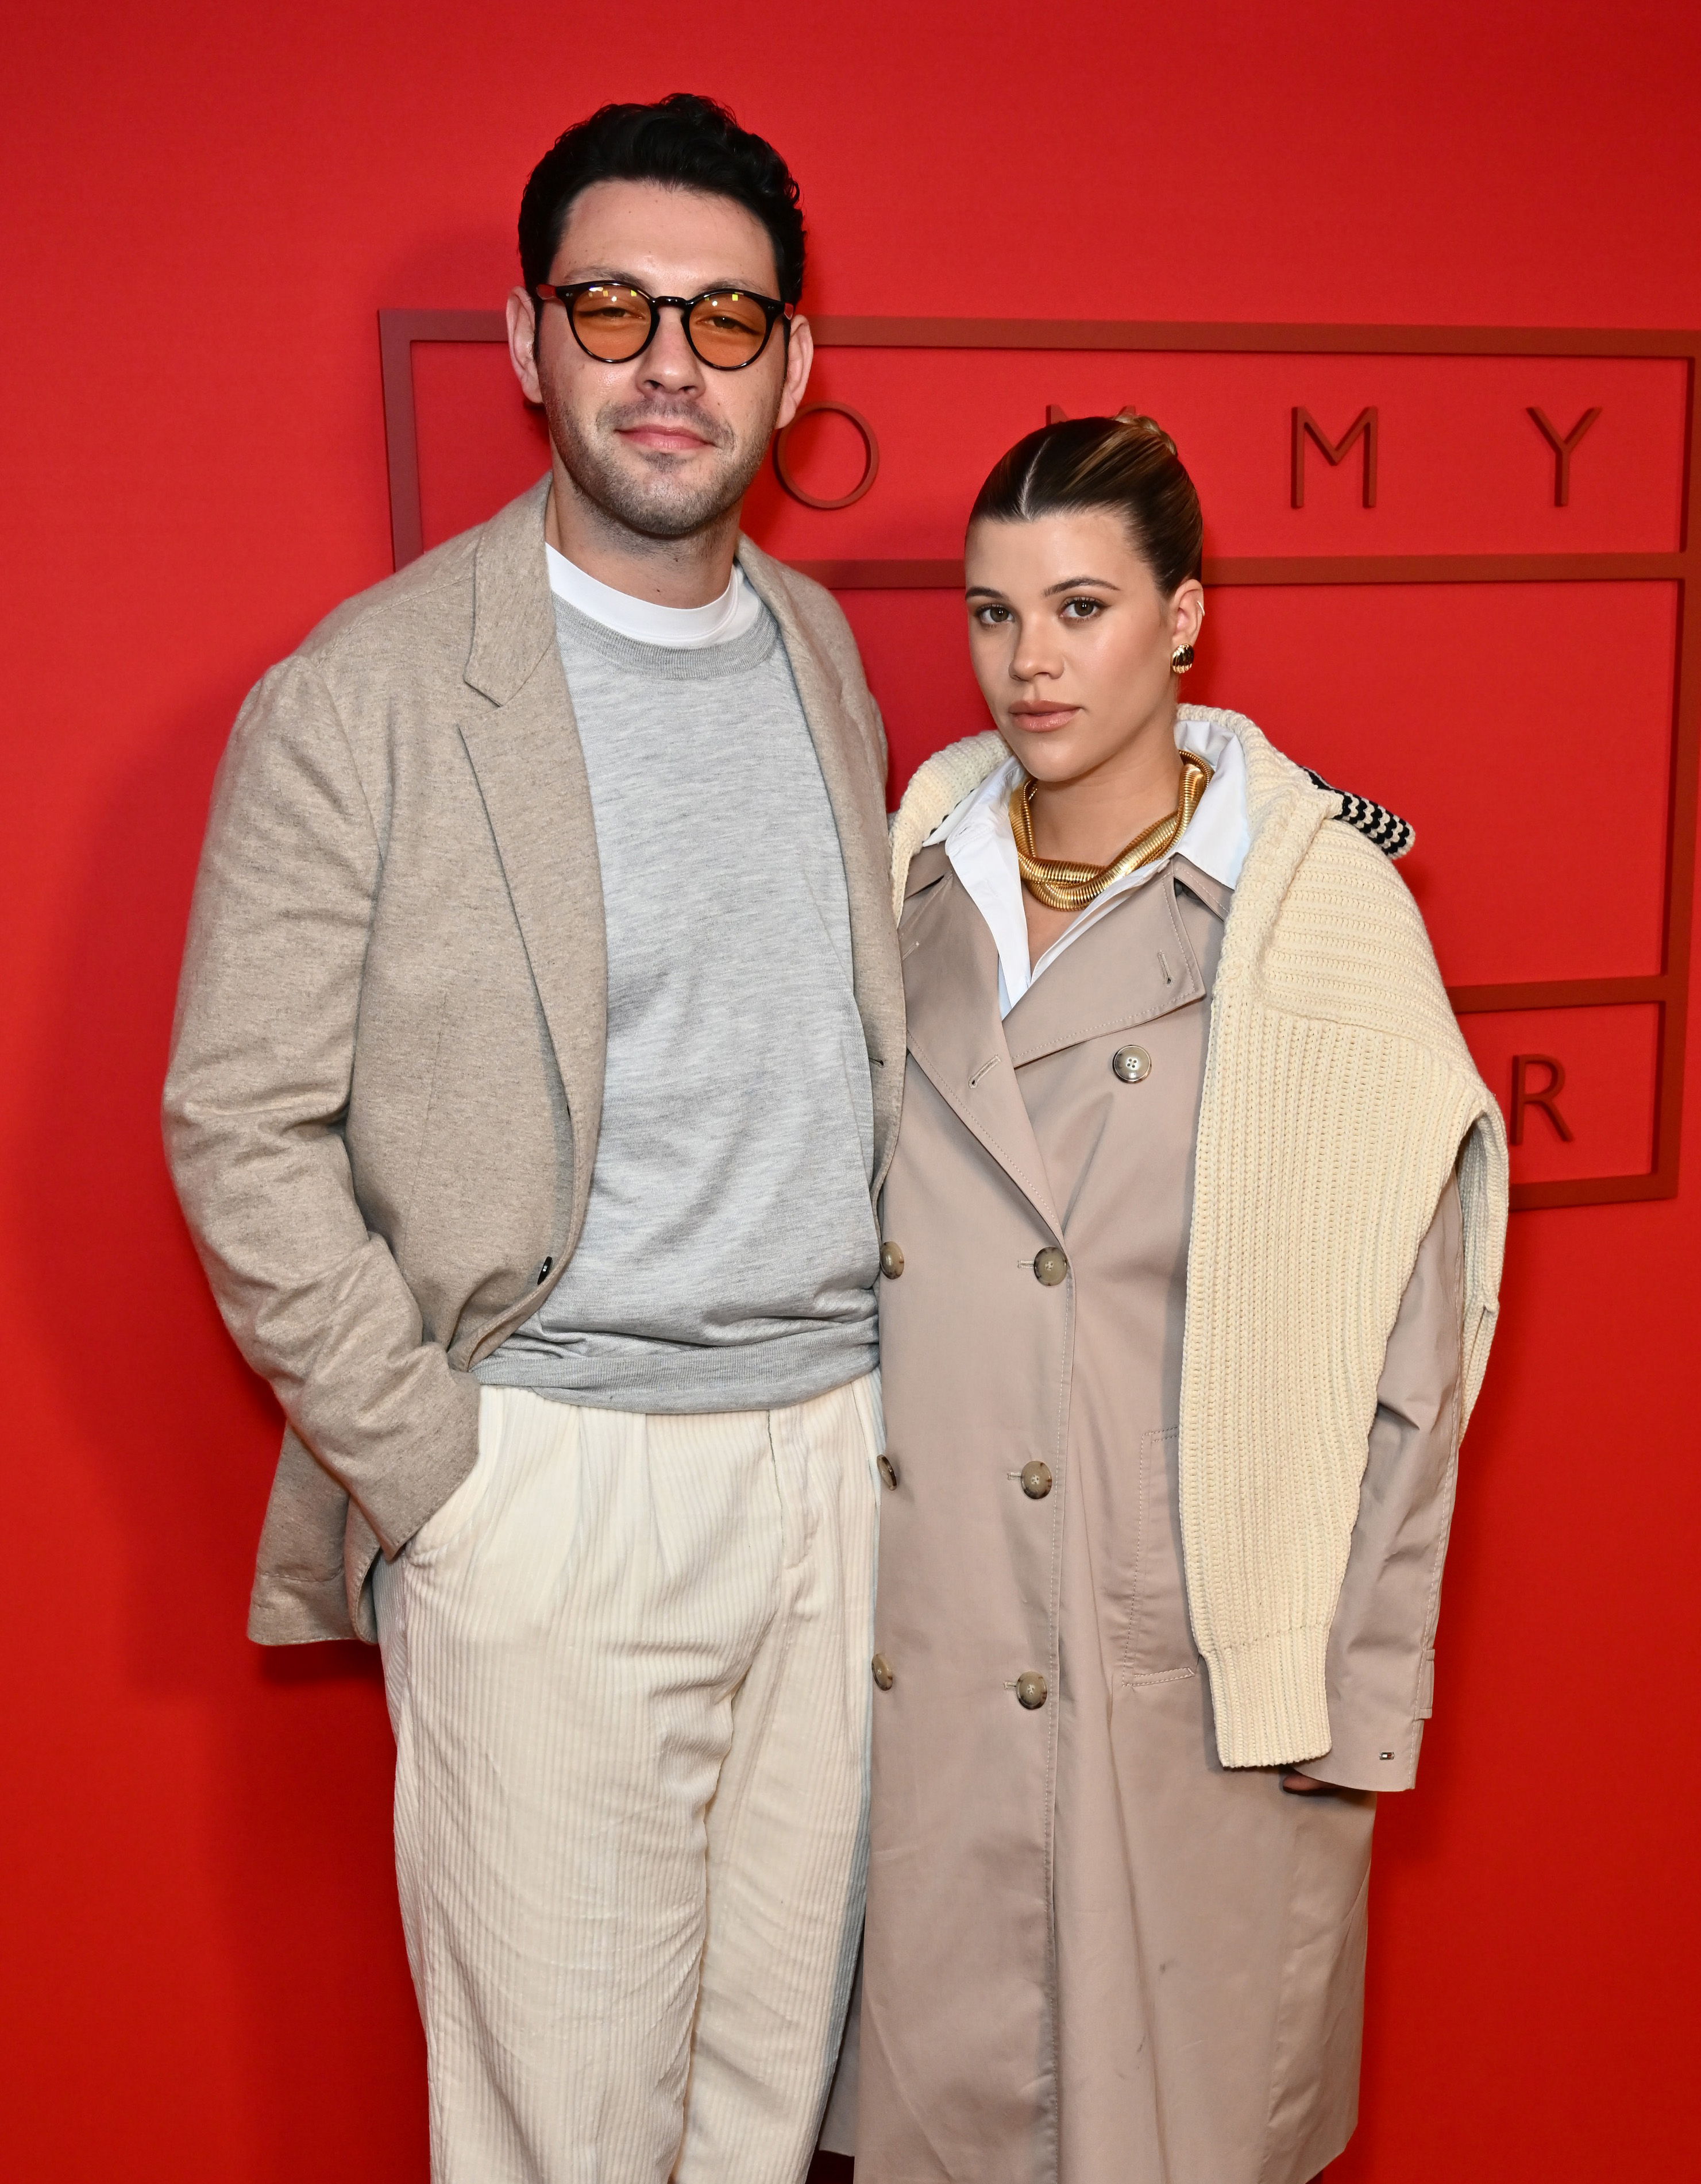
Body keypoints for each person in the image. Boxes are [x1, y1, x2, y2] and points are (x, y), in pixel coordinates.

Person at [163, 94, 901, 2184]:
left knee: (768, 2111)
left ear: (794, 363)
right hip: (550, 1486)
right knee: (564, 2141)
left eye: (725, 317)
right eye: (616, 305)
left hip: (836, 1466)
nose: (671, 361)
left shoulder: (822, 654)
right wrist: (442, 1480)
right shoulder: (369, 693)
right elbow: (237, 1118)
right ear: (525, 339)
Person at [853, 412, 1509, 2184]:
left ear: (1185, 616)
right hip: (925, 1645)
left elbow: (1408, 1352)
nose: (1029, 661)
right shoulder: (901, 888)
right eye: (992, 615)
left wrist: (1357, 1703)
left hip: (1196, 1671)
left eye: (1079, 607)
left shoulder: (1315, 922)